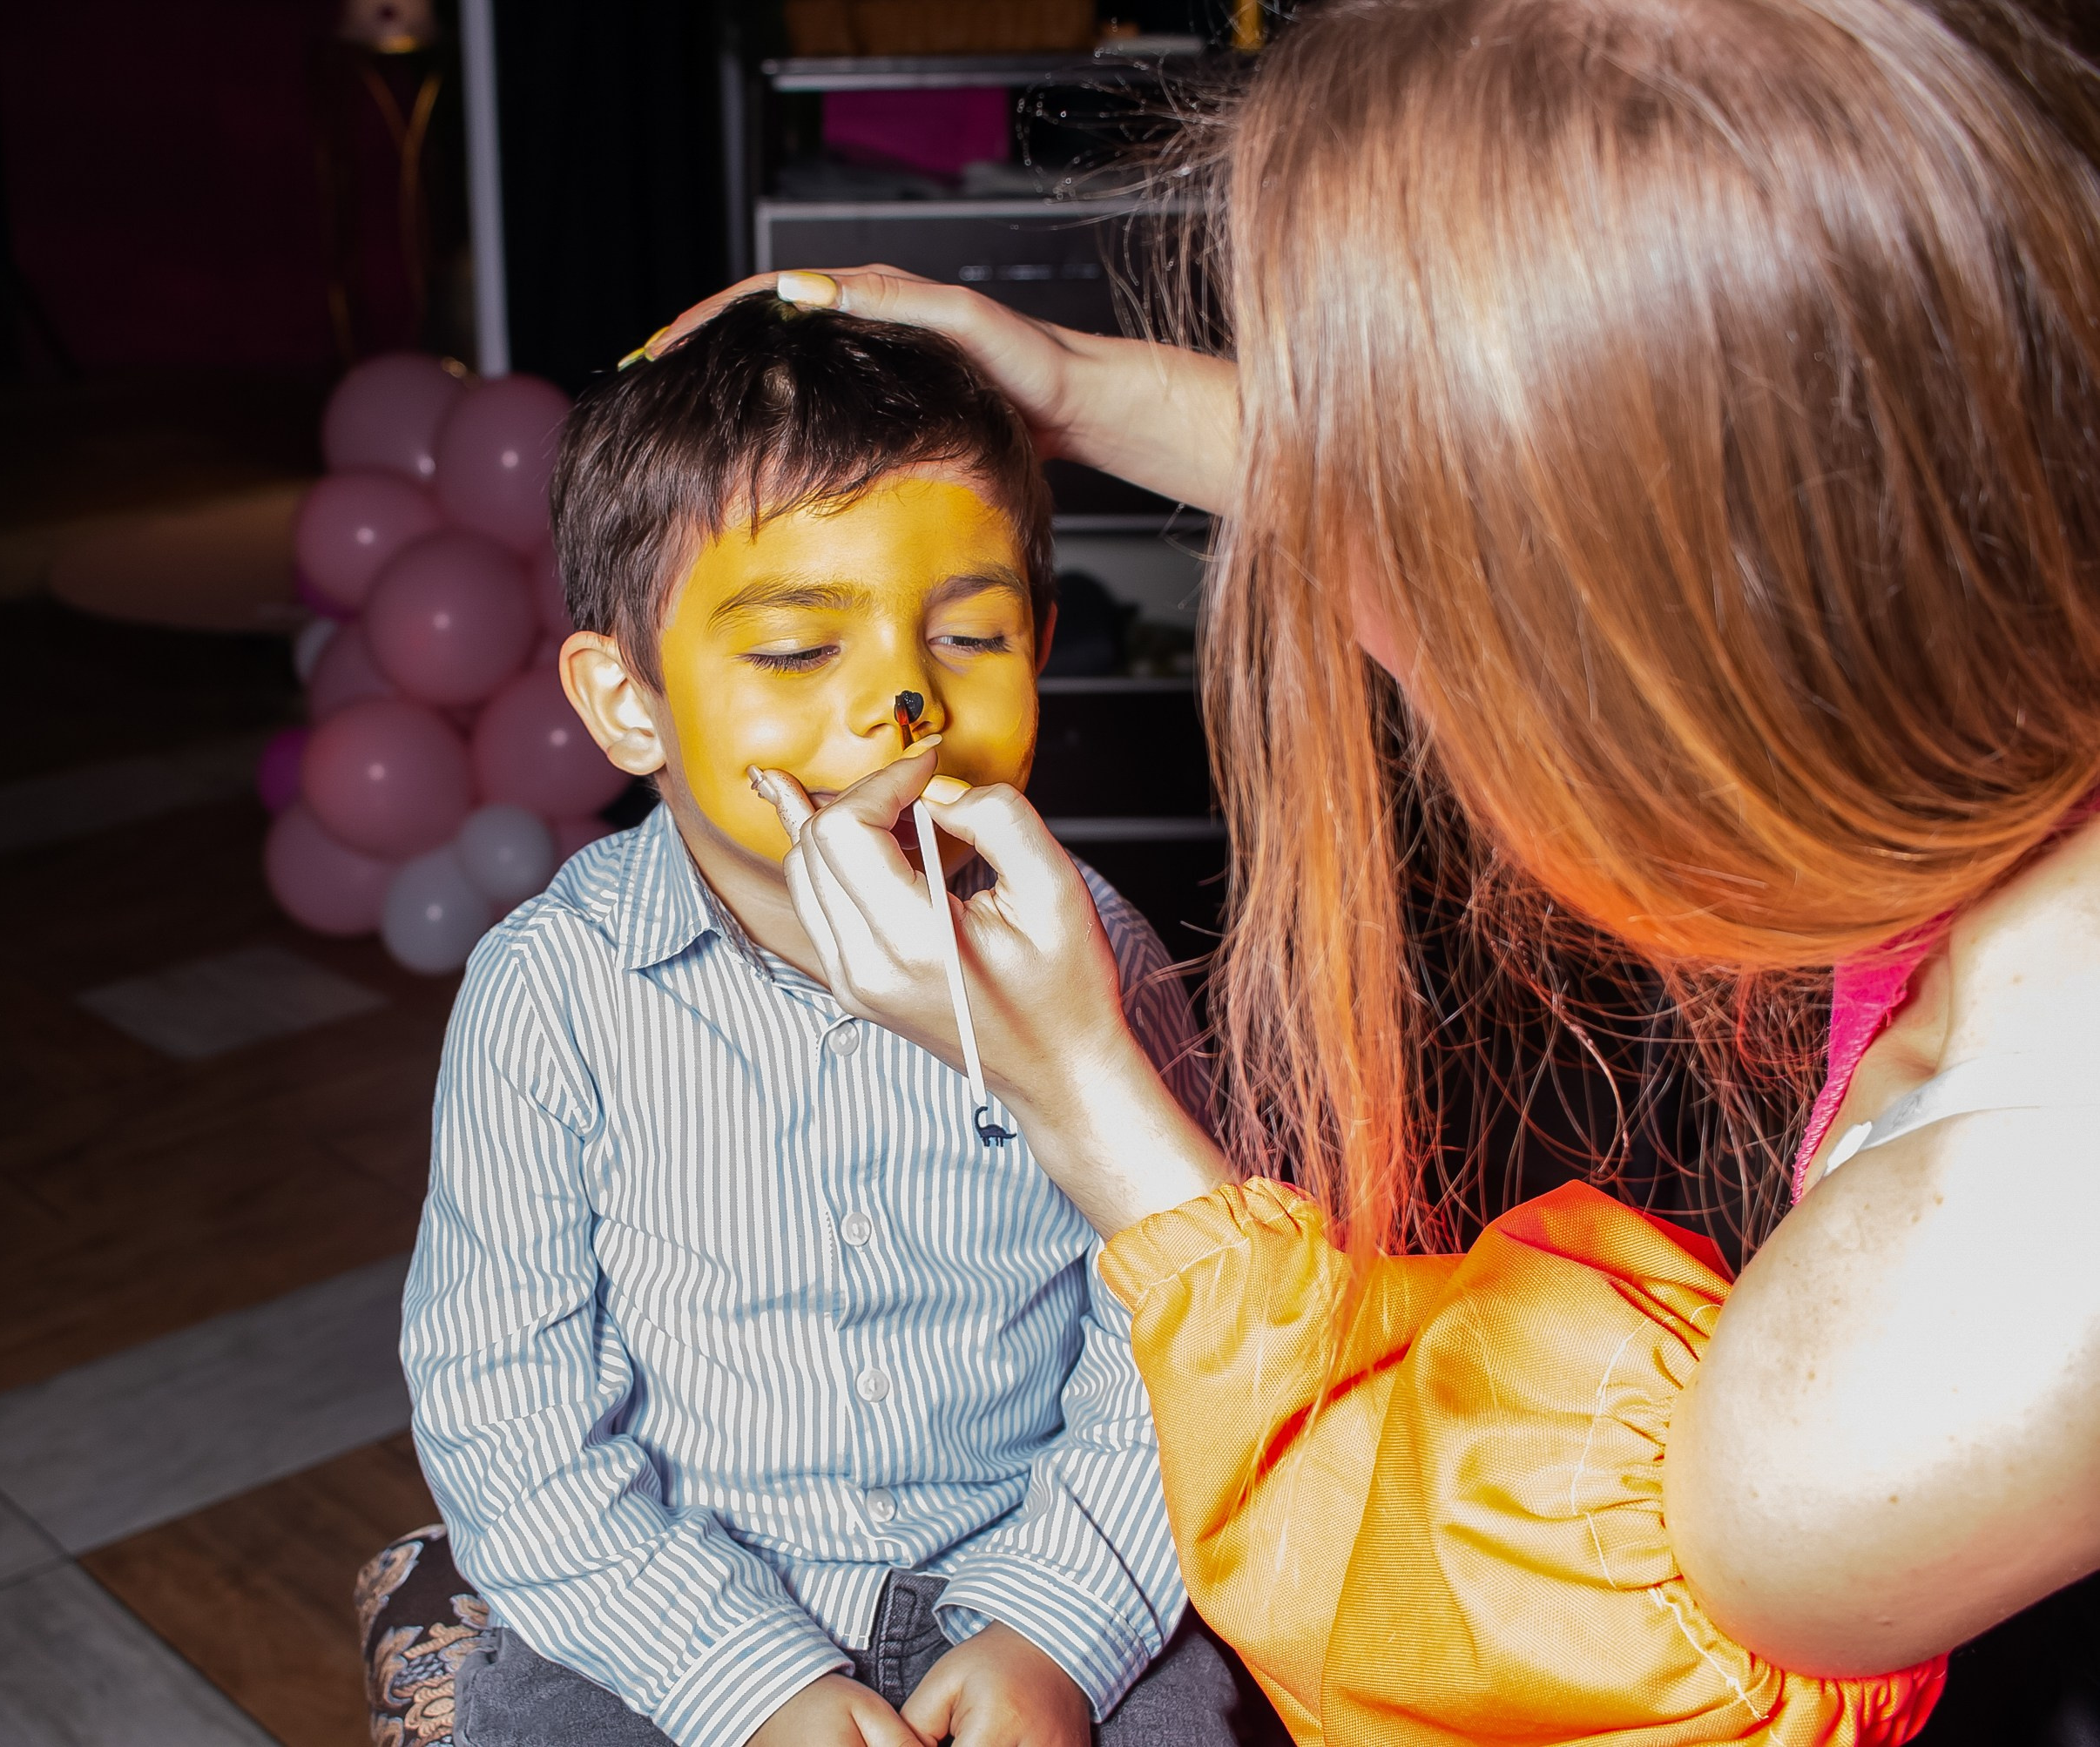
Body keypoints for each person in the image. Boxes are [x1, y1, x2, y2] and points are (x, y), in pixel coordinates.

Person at [653, 0, 2100, 1741]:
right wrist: (1074, 386)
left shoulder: (1991, 1289)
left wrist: (1083, 1095)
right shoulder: (1975, 545)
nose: (1344, 605)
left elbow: (1453, 1613)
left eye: (1418, 644)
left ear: (1665, 665)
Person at [401, 293, 1263, 1747]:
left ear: (1041, 645)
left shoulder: (1092, 947)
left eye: (970, 635)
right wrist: (747, 1686)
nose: (905, 703)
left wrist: (1057, 1625)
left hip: (1029, 1570)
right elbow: (509, 1416)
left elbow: (1176, 1340)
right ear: (628, 701)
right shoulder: (546, 997)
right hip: (668, 1609)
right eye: (801, 652)